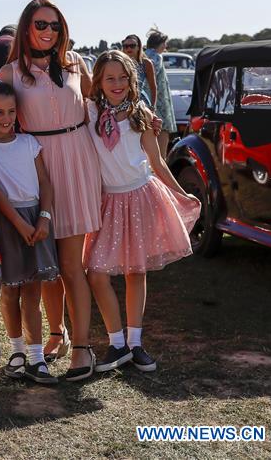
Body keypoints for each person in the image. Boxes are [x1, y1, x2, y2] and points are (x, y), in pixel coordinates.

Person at [0, 0, 101, 381]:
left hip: (77, 163)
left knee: (73, 267)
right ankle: (55, 333)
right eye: (41, 24)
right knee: (47, 268)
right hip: (36, 168)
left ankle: (83, 350)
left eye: (55, 25)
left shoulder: (77, 64)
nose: (49, 32)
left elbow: (100, 105)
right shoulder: (9, 73)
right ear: (26, 28)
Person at [84, 51, 201, 372]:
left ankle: (135, 342)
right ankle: (116, 343)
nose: (117, 84)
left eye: (123, 77)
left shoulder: (141, 115)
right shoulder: (90, 112)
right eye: (110, 78)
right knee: (96, 273)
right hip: (107, 201)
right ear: (99, 81)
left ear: (131, 80)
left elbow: (157, 161)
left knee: (136, 271)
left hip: (140, 197)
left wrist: (181, 193)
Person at [0, 80, 60, 384]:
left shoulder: (29, 142)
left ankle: (36, 358)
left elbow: (46, 183)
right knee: (10, 289)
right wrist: (20, 225)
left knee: (33, 290)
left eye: (11, 111)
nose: (6, 118)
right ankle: (17, 353)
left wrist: (44, 219)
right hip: (8, 222)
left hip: (37, 218)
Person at [144, 30, 176, 157]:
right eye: (164, 43)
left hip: (147, 104)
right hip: (159, 106)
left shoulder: (144, 55)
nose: (165, 46)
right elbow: (151, 82)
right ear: (160, 43)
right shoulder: (157, 57)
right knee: (161, 151)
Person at [120, 34, 156, 108]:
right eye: (125, 46)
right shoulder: (119, 63)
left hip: (141, 102)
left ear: (138, 47)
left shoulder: (146, 63)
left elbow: (153, 87)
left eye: (132, 45)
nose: (129, 48)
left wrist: (153, 107)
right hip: (122, 101)